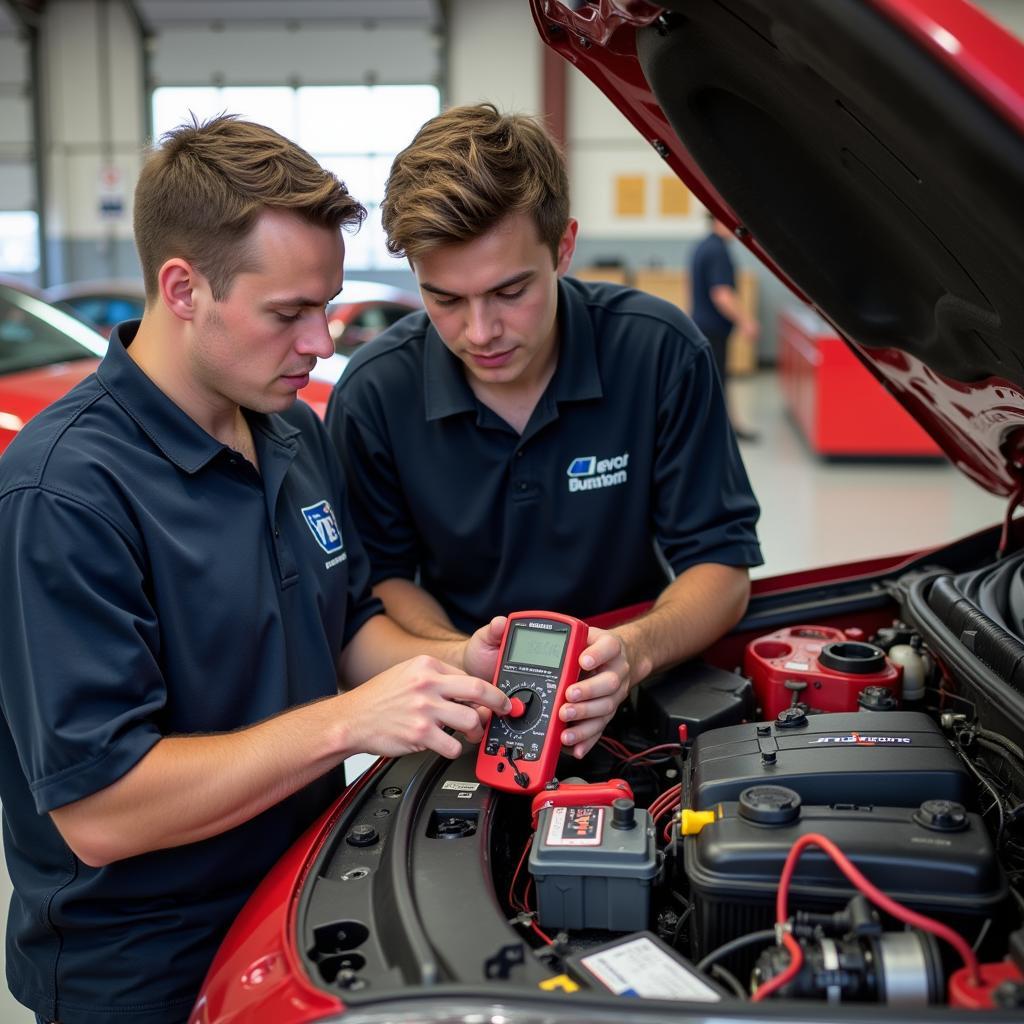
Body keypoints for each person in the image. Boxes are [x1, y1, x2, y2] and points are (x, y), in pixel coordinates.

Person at [0, 114, 595, 1024]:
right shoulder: (63, 494)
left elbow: (348, 621)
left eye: (327, 305)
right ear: (183, 288)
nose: (321, 343)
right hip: (144, 962)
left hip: (301, 900)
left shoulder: (290, 431)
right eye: (289, 314)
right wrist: (349, 723)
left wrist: (451, 665)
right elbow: (101, 812)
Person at [325, 104, 763, 760]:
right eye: (445, 299)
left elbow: (721, 566)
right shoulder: (375, 393)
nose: (480, 332)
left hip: (637, 703)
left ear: (563, 247)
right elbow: (382, 583)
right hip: (463, 715)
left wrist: (635, 652)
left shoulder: (659, 352)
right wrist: (462, 660)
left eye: (510, 291)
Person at [689, 214, 761, 440]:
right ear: (719, 220)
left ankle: (729, 427)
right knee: (717, 381)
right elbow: (722, 295)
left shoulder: (704, 246)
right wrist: (747, 321)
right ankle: (723, 431)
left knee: (718, 379)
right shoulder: (717, 251)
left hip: (704, 326)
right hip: (712, 329)